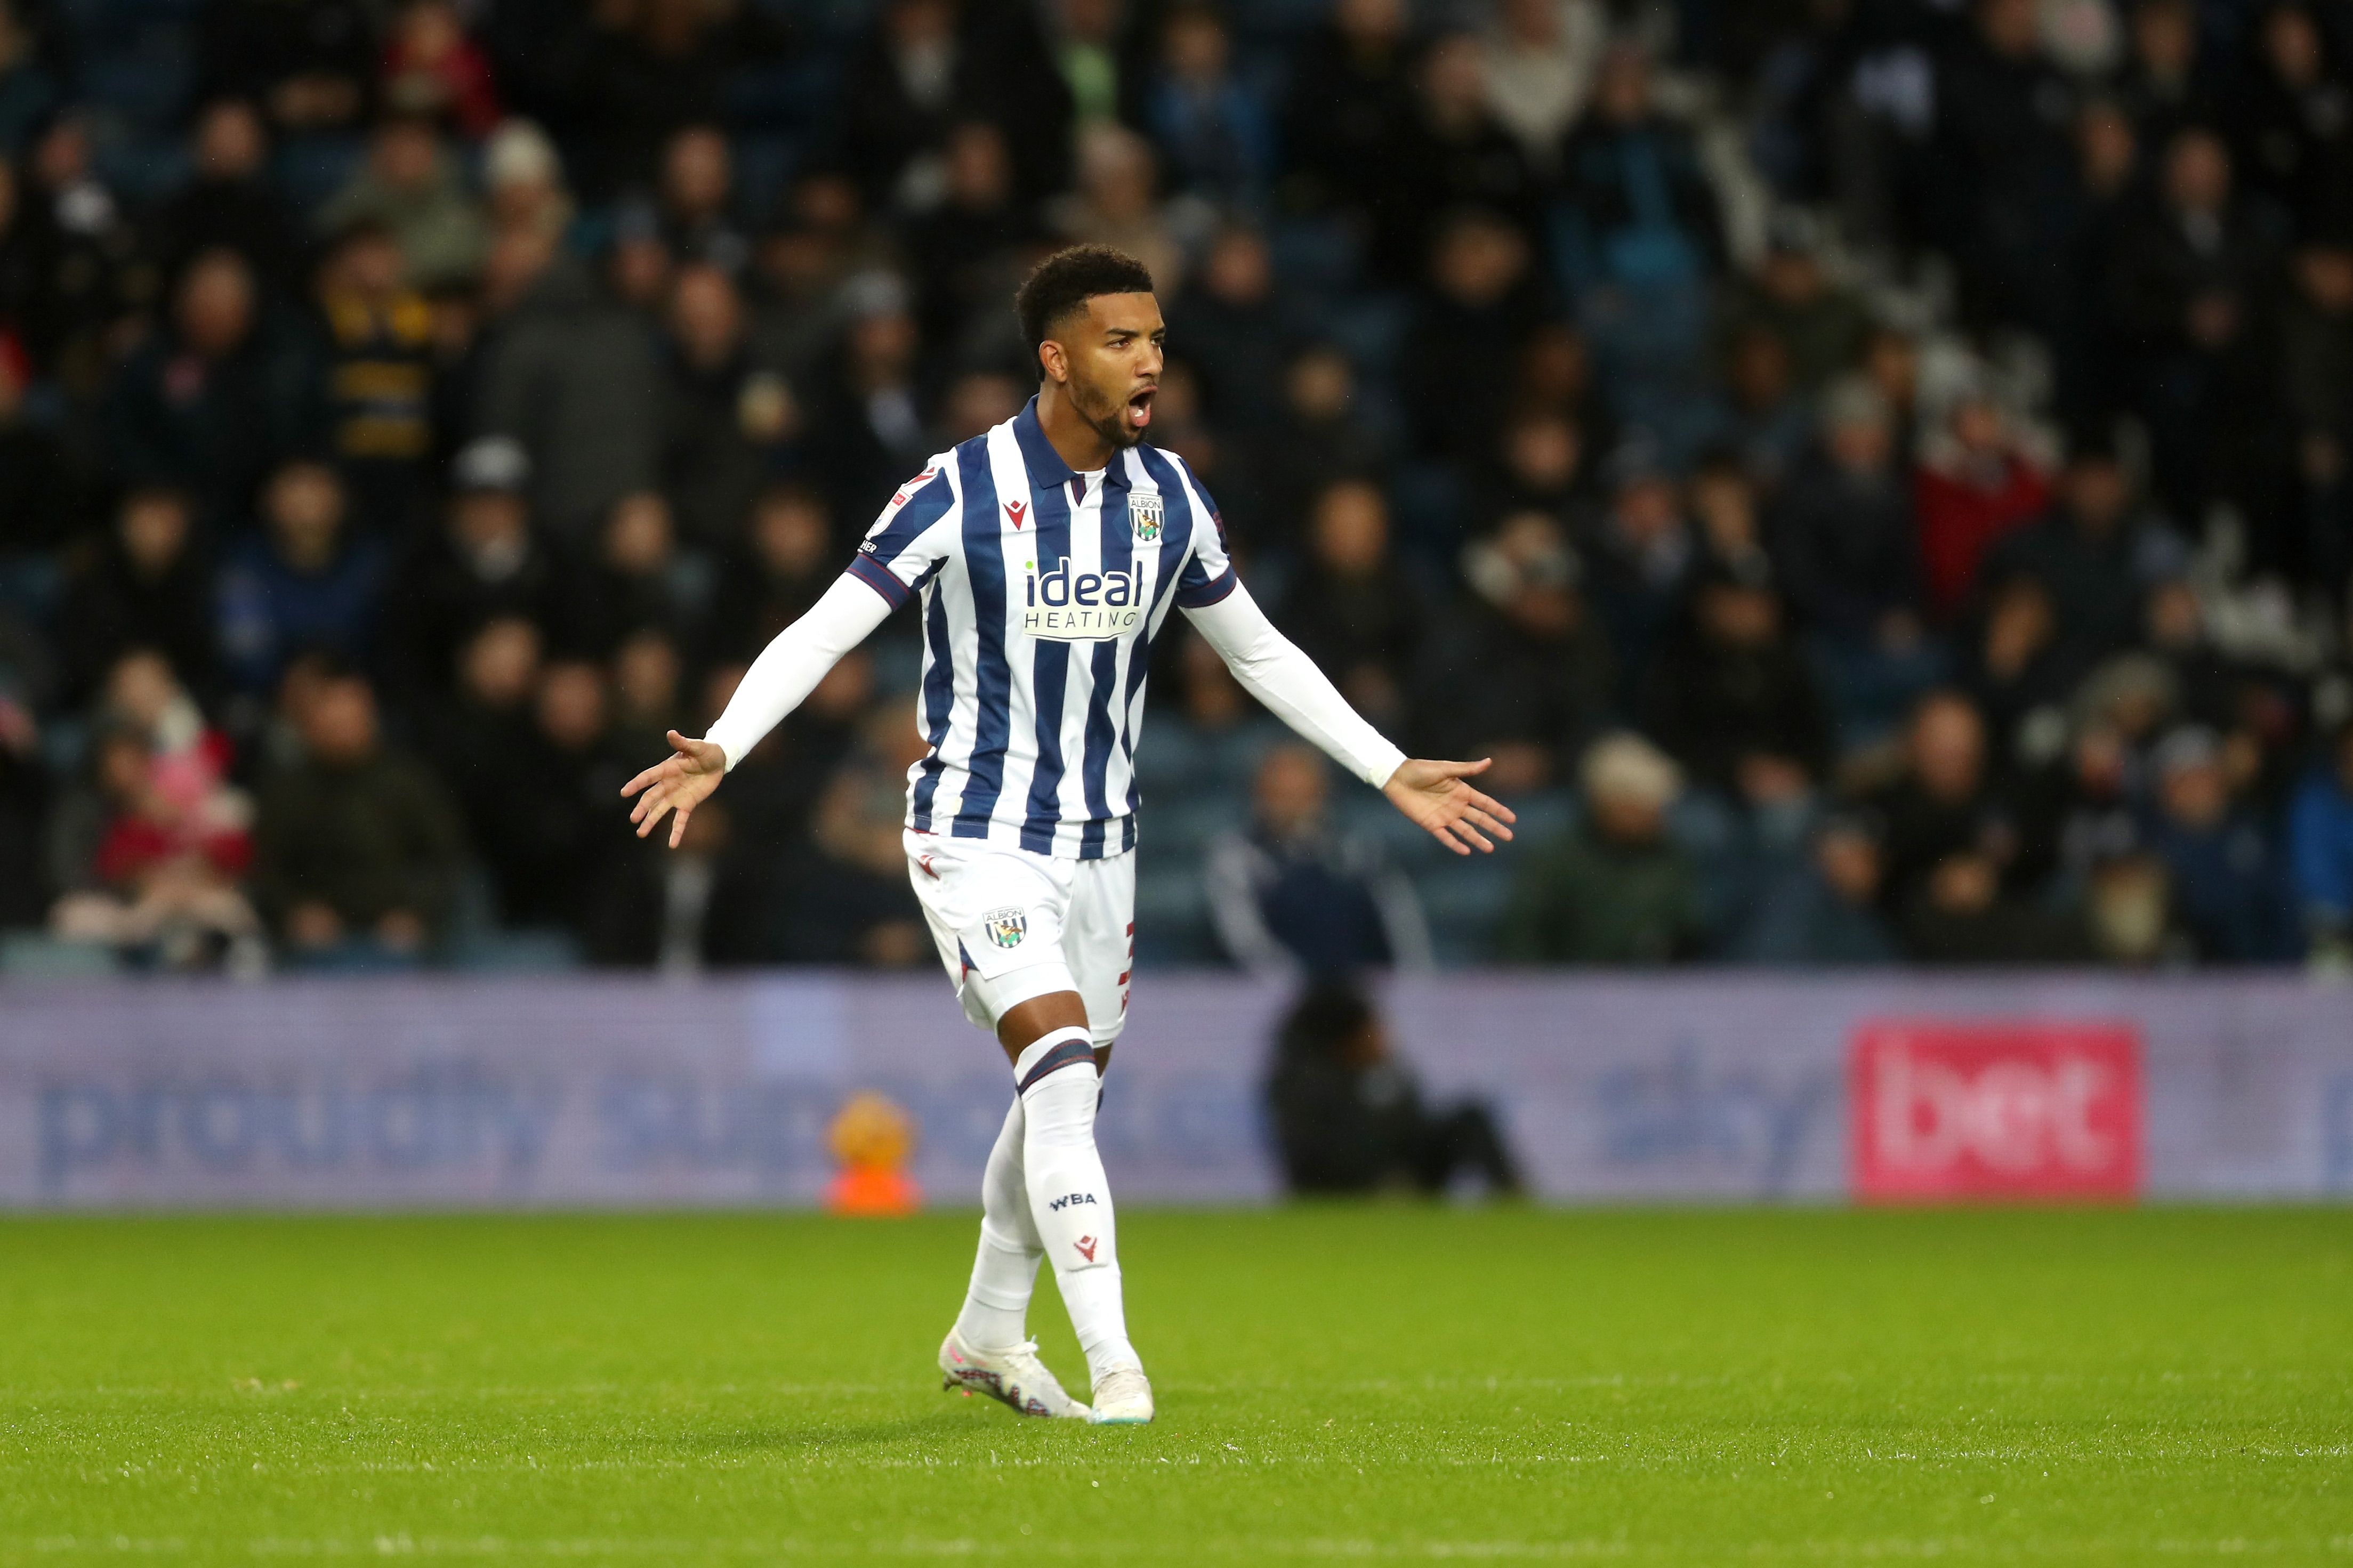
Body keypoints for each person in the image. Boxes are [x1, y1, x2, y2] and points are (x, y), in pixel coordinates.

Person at [620, 246, 1514, 1427]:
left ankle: (987, 1333)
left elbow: (1254, 650)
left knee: (1064, 1093)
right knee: (1053, 1074)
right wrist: (724, 744)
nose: (1150, 359)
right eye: (1120, 340)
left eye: (1154, 338)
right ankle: (1120, 1372)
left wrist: (1385, 766)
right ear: (1056, 358)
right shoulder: (955, 488)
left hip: (1105, 850)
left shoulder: (1167, 496)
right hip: (975, 834)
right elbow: (823, 628)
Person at [1264, 983, 1520, 1198]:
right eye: (1370, 1031)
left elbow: (1414, 1125)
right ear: (1346, 1036)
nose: (1382, 1039)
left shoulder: (1380, 1072)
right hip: (1345, 1189)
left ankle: (1514, 1201)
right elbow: (1320, 1153)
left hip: (1397, 1176)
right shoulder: (1305, 1084)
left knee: (1470, 1119)